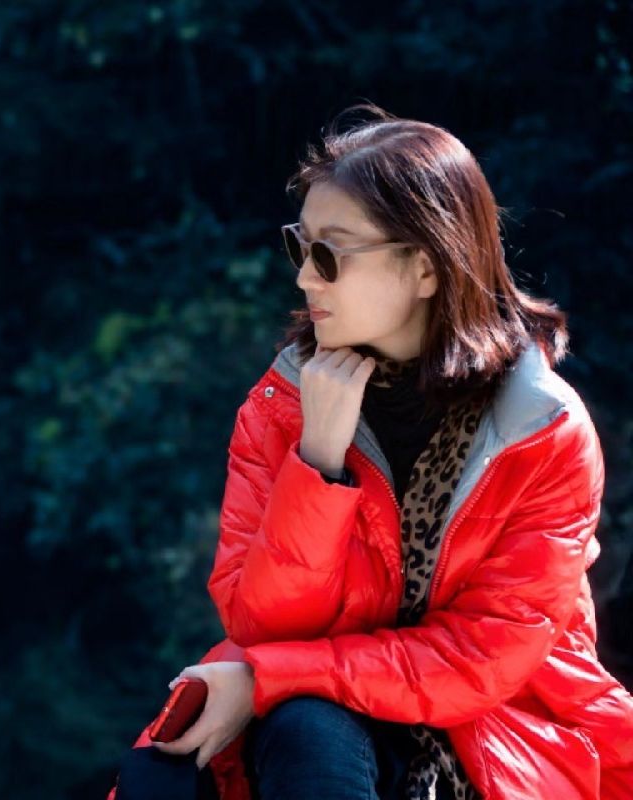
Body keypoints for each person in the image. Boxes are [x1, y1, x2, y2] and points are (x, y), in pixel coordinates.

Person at [108, 103, 633, 799]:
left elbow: (483, 659)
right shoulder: (281, 406)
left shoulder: (542, 432)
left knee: (307, 728)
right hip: (313, 706)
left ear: (426, 266)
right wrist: (318, 462)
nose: (306, 278)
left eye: (331, 254)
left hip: (496, 727)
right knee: (161, 774)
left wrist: (267, 680)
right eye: (300, 247)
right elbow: (260, 624)